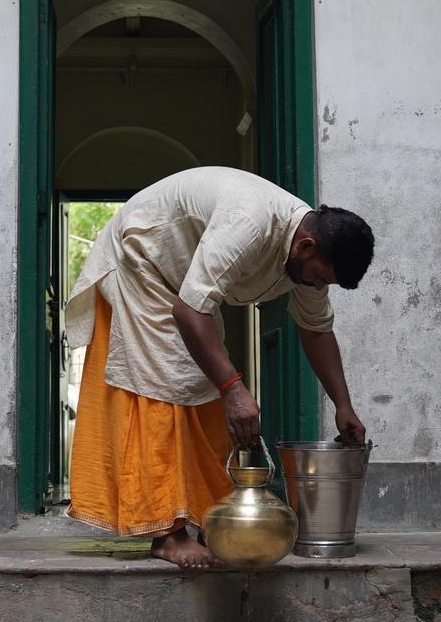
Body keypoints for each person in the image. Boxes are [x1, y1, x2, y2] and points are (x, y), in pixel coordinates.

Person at [63, 166, 375, 569]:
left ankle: (207, 519)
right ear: (305, 246)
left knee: (206, 385)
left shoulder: (308, 256)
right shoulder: (249, 223)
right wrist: (234, 388)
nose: (318, 289)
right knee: (164, 383)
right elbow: (190, 311)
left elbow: (315, 331)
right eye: (318, 279)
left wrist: (343, 405)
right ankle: (167, 536)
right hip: (141, 260)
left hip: (185, 287)